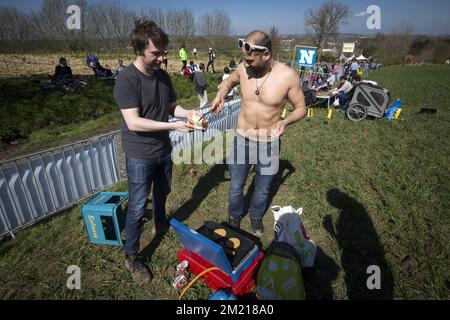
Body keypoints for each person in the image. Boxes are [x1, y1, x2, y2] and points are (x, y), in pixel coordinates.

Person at [113, 20, 199, 284]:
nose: (162, 58)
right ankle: (132, 255)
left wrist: (189, 113)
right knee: (138, 206)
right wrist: (174, 125)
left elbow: (172, 106)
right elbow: (134, 122)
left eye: (164, 52)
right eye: (156, 53)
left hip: (163, 149)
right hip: (139, 154)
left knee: (164, 191)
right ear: (140, 50)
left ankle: (160, 222)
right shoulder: (127, 80)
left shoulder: (162, 76)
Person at [210, 31, 306, 236]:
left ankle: (255, 216)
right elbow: (228, 82)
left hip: (268, 142)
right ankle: (234, 215)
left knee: (262, 188)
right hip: (241, 139)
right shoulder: (243, 69)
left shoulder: (287, 76)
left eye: (251, 60)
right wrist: (220, 95)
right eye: (245, 60)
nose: (247, 65)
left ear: (266, 55)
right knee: (236, 184)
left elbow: (301, 108)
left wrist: (285, 121)